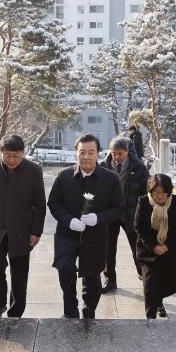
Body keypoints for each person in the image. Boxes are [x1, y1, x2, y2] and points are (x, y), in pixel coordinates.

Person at [48, 134, 122, 319]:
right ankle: (70, 310)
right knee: (65, 269)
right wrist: (68, 220)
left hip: (95, 235)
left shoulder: (110, 179)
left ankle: (89, 311)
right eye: (82, 152)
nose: (86, 157)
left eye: (91, 152)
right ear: (76, 152)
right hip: (67, 233)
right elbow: (54, 203)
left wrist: (99, 218)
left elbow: (117, 208)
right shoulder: (64, 176)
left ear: (98, 153)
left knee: (92, 277)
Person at [0, 135, 46, 318]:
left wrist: (36, 232)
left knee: (19, 274)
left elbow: (40, 204)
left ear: (23, 153)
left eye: (16, 156)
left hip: (22, 231)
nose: (12, 160)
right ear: (1, 153)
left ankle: (16, 312)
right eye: (7, 155)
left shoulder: (34, 170)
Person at [100, 136, 150, 292]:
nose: (116, 157)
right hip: (110, 213)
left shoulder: (139, 168)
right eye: (113, 153)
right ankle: (110, 280)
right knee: (108, 249)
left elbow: (146, 193)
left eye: (120, 153)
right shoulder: (103, 166)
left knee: (137, 247)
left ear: (127, 151)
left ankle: (144, 275)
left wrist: (143, 214)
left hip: (131, 213)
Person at [135, 174, 176, 319]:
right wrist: (153, 246)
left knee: (163, 281)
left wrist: (167, 245)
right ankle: (150, 317)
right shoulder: (143, 201)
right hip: (148, 250)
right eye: (156, 192)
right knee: (150, 284)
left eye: (164, 192)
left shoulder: (175, 201)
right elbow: (139, 227)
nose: (160, 196)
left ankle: (159, 303)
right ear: (150, 191)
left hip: (167, 250)